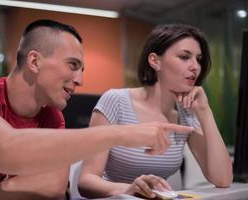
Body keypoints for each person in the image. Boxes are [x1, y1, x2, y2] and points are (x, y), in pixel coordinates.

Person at [0, 20, 194, 200]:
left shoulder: (51, 116)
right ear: (35, 61)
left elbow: (53, 185)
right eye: (73, 65)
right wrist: (123, 133)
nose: (79, 80)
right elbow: (6, 150)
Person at [78, 23, 233, 199]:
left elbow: (223, 179)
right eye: (184, 57)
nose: (195, 66)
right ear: (155, 61)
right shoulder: (116, 100)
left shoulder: (187, 113)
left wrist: (205, 111)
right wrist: (130, 189)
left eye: (199, 59)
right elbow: (86, 181)